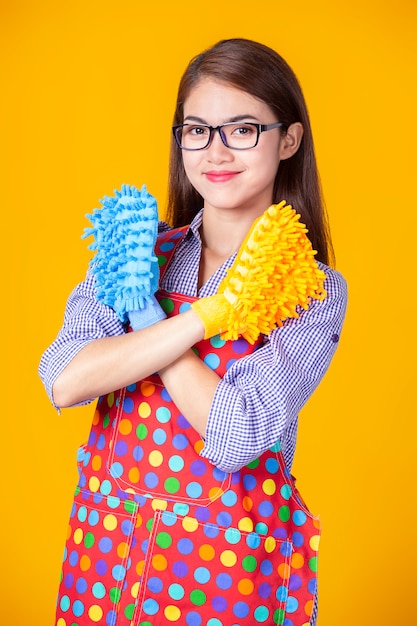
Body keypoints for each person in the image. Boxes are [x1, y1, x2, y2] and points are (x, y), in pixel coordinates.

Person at [39, 38, 347, 626]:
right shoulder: (133, 253)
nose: (216, 150)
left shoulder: (311, 290)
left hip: (227, 571)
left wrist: (155, 322)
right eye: (197, 130)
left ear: (289, 139)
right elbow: (66, 378)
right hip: (107, 558)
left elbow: (235, 433)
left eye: (242, 129)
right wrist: (204, 316)